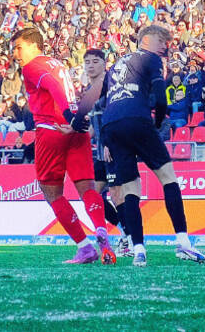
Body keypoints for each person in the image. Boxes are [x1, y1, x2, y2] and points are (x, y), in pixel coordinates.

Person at [91, 25, 205, 267]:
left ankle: (138, 250)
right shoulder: (151, 58)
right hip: (137, 121)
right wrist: (156, 123)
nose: (164, 45)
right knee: (168, 178)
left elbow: (101, 100)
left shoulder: (117, 64)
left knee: (130, 190)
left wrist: (99, 134)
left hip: (112, 126)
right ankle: (184, 244)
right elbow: (161, 97)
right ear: (145, 40)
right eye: (161, 40)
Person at [11, 27, 114, 265]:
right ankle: (101, 229)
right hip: (77, 131)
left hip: (53, 130)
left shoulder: (32, 67)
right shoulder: (57, 63)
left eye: (19, 48)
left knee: (52, 193)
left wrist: (68, 115)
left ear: (34, 45)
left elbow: (52, 86)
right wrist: (75, 118)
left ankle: (85, 247)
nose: (15, 54)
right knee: (87, 188)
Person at [77, 48, 131, 259]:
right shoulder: (89, 91)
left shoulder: (110, 87)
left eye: (95, 61)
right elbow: (93, 125)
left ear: (104, 64)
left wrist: (109, 142)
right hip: (100, 152)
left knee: (117, 194)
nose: (90, 65)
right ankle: (124, 232)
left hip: (114, 147)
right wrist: (78, 139)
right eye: (87, 62)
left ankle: (129, 239)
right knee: (95, 195)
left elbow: (116, 117)